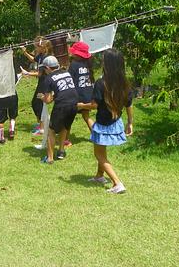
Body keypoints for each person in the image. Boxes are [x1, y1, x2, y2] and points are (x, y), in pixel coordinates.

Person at [78, 48, 133, 194]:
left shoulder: (101, 83)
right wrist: (130, 122)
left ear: (107, 64)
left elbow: (95, 105)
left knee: (99, 154)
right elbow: (129, 104)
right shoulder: (125, 83)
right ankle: (99, 176)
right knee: (102, 150)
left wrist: (82, 105)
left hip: (103, 124)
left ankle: (117, 183)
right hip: (116, 123)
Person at [38, 56, 78, 163]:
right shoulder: (66, 72)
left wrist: (42, 97)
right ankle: (61, 151)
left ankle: (50, 158)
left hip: (62, 105)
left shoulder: (49, 78)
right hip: (74, 103)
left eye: (44, 69)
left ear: (47, 68)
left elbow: (48, 100)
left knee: (51, 130)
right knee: (65, 127)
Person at [21, 36, 54, 136]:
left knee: (38, 104)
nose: (35, 48)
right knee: (36, 103)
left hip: (45, 84)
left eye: (37, 46)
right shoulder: (40, 55)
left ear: (43, 47)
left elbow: (40, 74)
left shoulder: (45, 58)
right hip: (41, 83)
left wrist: (27, 73)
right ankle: (41, 125)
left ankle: (42, 127)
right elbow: (34, 59)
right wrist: (25, 52)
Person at [68, 41, 95, 138]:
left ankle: (65, 139)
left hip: (76, 96)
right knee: (86, 116)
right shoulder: (88, 64)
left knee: (68, 118)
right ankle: (95, 135)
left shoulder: (74, 64)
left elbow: (69, 79)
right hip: (88, 95)